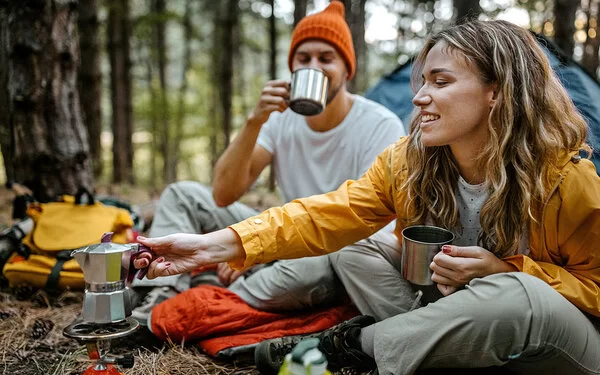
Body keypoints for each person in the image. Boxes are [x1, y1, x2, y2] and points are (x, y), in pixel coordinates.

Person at [134, 20, 600, 374]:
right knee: (353, 245)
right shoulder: (411, 162)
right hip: (451, 319)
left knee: (516, 295)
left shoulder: (565, 179)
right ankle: (416, 348)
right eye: (423, 83)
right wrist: (211, 246)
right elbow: (325, 215)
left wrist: (509, 268)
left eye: (440, 83)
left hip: (554, 344)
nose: (419, 98)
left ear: (496, 93)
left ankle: (346, 350)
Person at [130, 0, 406, 324]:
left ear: (347, 69)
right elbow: (223, 195)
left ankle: (210, 294)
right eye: (304, 59)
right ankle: (160, 294)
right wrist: (254, 121)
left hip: (330, 248)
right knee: (182, 194)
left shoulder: (379, 124)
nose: (313, 67)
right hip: (278, 231)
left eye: (326, 59)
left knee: (313, 270)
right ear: (292, 68)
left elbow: (371, 229)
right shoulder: (280, 118)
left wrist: (254, 252)